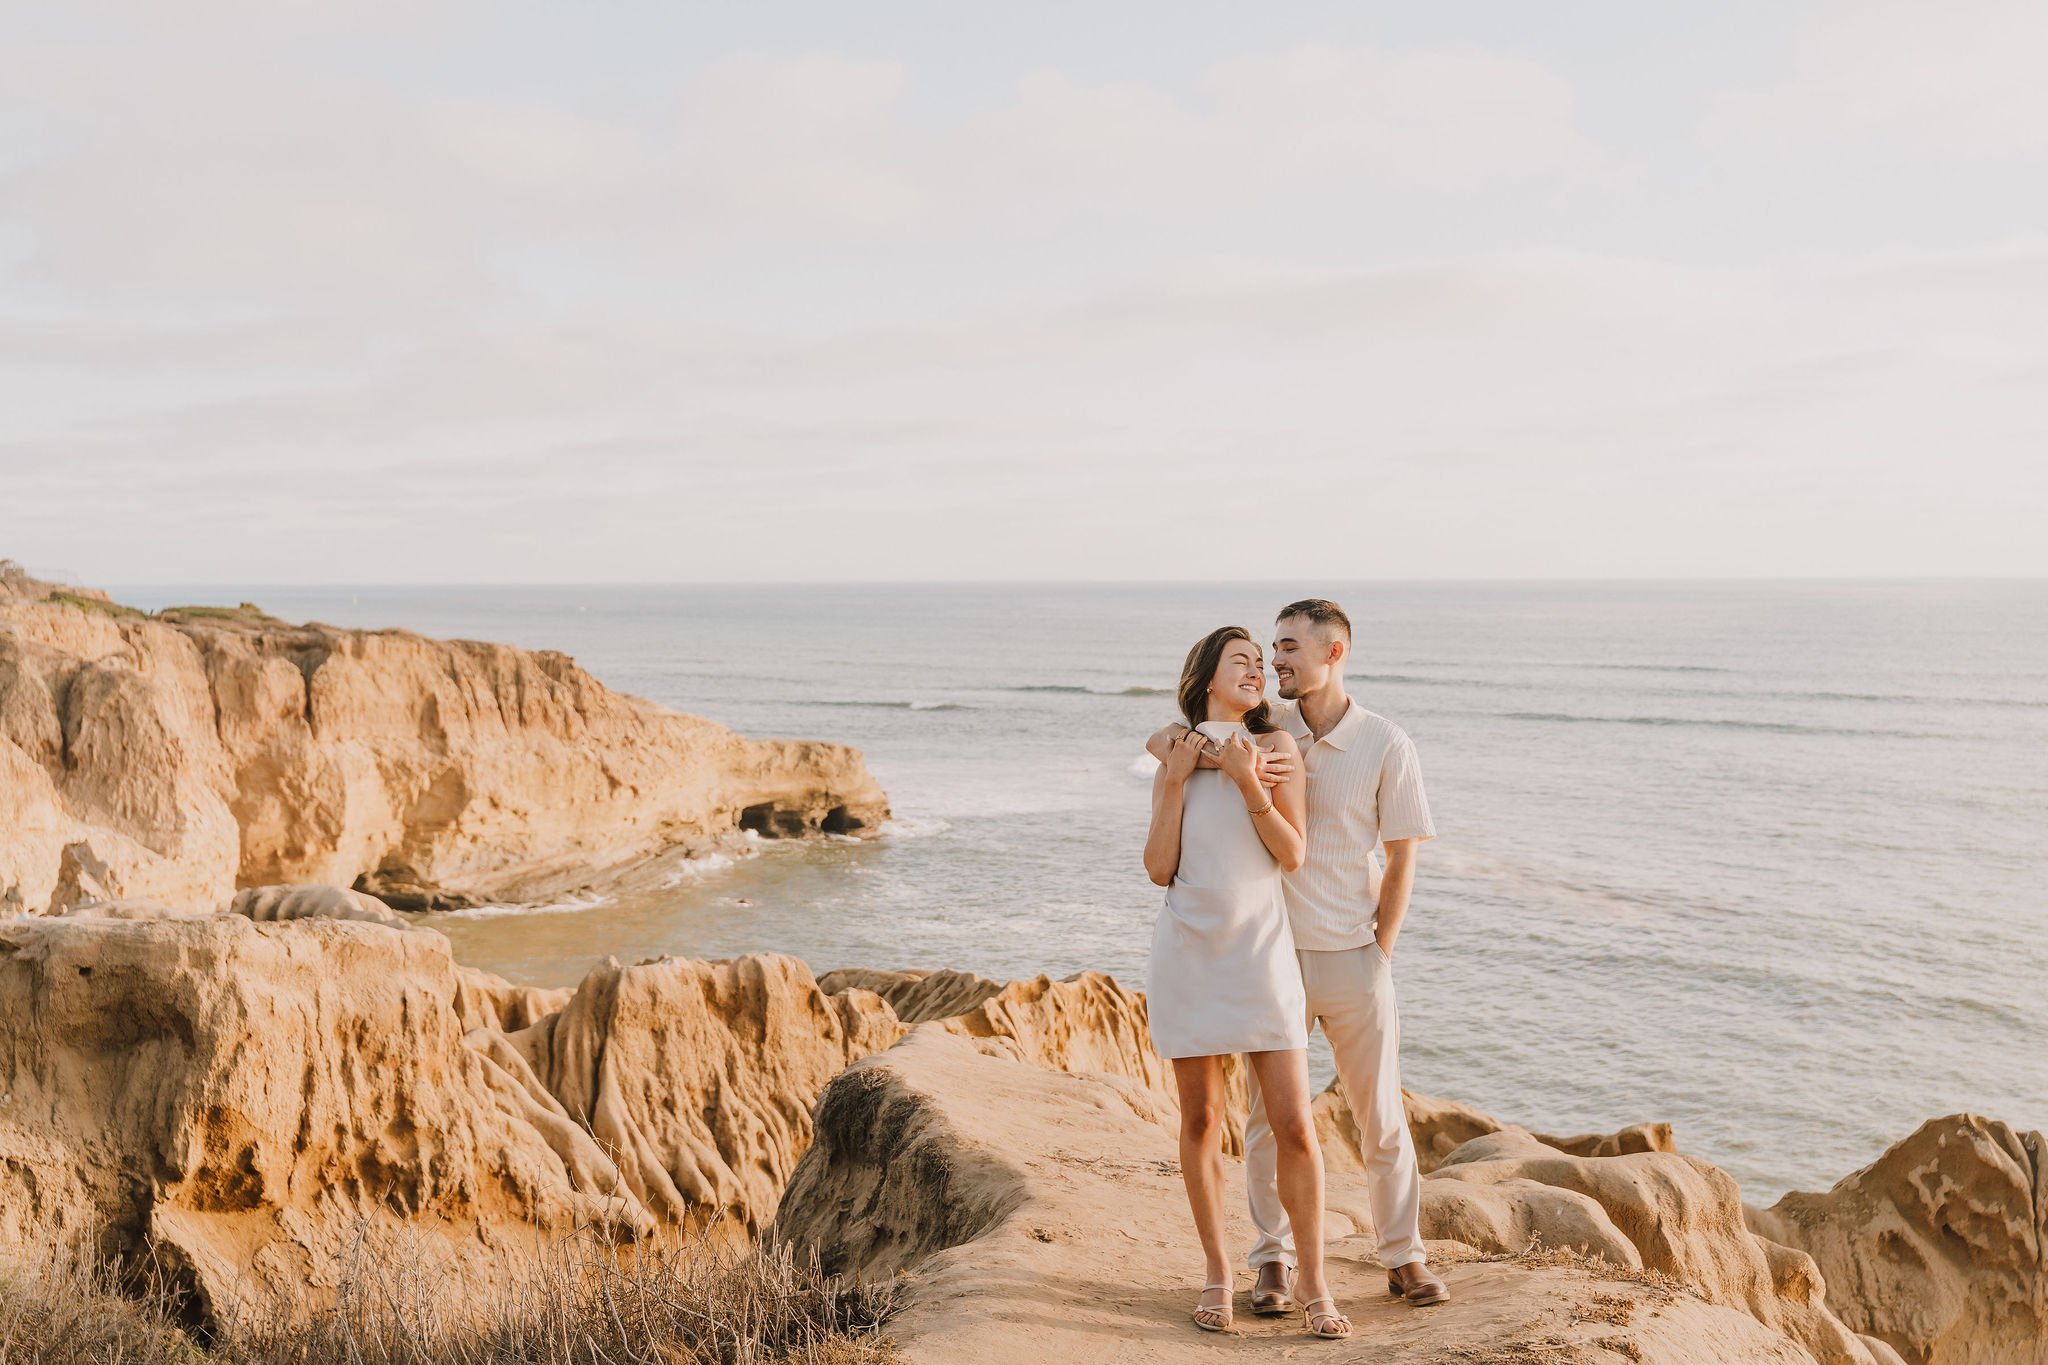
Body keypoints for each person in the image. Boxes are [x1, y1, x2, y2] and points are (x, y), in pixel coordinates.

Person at [1148, 598, 1449, 1314]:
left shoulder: (1383, 742)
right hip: (1270, 954)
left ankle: (1403, 1255)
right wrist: (1172, 749)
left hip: (1350, 953)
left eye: (1285, 649)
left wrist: (1383, 946)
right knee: (1265, 1125)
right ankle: (1271, 1262)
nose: (1275, 661)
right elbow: (1178, 739)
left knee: (1378, 1115)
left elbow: (1404, 854)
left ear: (1332, 653)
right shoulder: (1271, 730)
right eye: (1266, 651)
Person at [1143, 626, 1352, 1340]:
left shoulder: (1277, 749)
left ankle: (1315, 1280)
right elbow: (1158, 866)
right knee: (1200, 1120)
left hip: (1260, 955)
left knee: (1294, 1123)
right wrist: (1176, 776)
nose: (1258, 671)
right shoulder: (1174, 751)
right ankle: (1215, 1271)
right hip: (1188, 953)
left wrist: (1243, 781)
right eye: (1243, 662)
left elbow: (1292, 854)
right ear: (1207, 676)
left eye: (1263, 663)